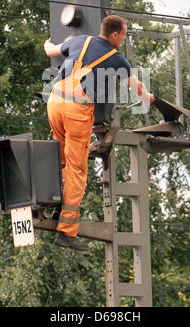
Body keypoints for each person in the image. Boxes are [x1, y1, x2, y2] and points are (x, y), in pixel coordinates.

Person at [44, 15, 154, 251]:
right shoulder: (118, 59)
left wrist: (47, 41)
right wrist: (149, 98)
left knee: (60, 160)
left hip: (54, 100)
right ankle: (67, 232)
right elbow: (136, 88)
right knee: (76, 168)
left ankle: (57, 208)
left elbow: (50, 50)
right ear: (115, 35)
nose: (123, 40)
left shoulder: (80, 40)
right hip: (76, 107)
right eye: (123, 36)